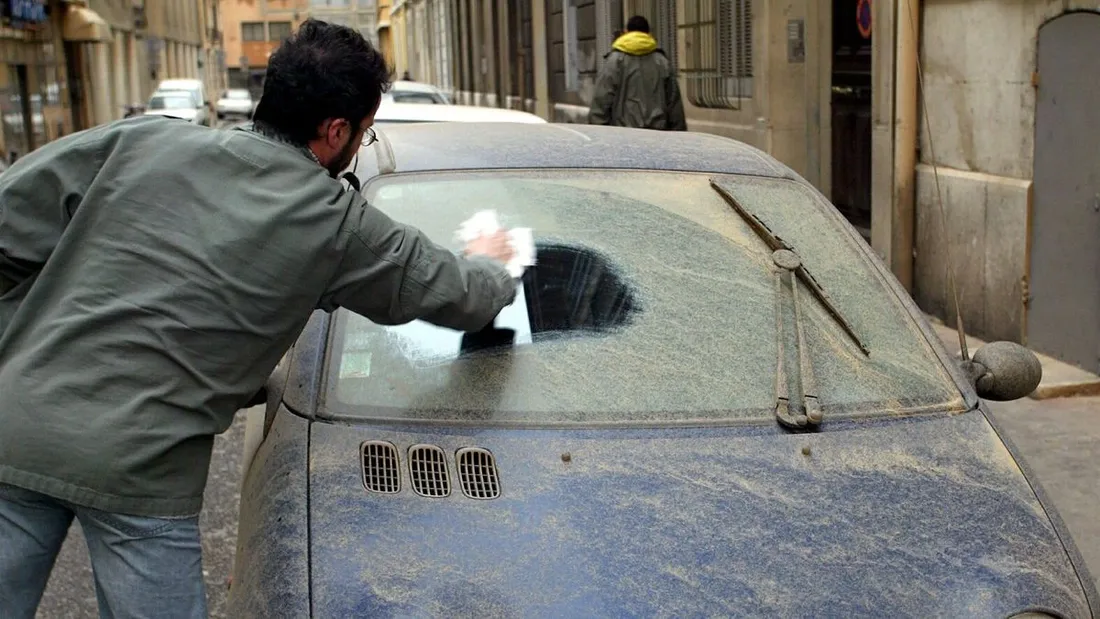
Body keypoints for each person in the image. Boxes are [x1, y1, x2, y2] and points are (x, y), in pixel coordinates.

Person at [0, 19, 517, 619]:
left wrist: (24, 340)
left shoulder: (139, 143)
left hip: (15, 426)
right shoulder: (335, 222)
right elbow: (457, 294)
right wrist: (496, 264)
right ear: (337, 131)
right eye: (365, 135)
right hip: (141, 468)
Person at [588, 15, 687, 131]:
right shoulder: (662, 62)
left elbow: (602, 97)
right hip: (657, 134)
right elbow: (673, 102)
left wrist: (598, 131)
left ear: (626, 32)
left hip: (623, 134)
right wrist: (678, 133)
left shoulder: (614, 61)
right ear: (648, 33)